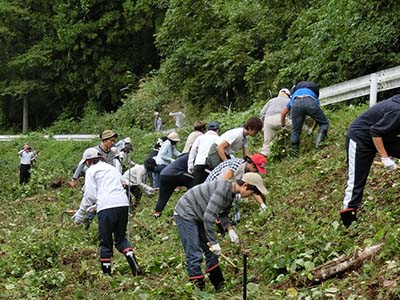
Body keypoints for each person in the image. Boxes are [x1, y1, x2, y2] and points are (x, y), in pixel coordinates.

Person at [174, 173, 268, 290]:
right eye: (251, 193)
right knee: (194, 253)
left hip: (199, 214)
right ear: (244, 185)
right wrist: (214, 242)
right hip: (185, 213)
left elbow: (222, 214)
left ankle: (219, 285)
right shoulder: (222, 190)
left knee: (212, 253)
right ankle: (199, 290)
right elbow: (209, 217)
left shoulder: (231, 193)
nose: (250, 196)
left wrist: (230, 230)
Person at [72, 148, 141, 276]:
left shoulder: (91, 171)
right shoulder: (112, 169)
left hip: (106, 207)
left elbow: (90, 195)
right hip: (122, 204)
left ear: (88, 161)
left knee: (105, 241)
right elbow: (122, 184)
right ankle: (134, 265)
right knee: (121, 239)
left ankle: (107, 275)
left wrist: (80, 214)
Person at [340, 95, 400, 227]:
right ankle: (349, 222)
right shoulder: (397, 110)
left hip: (382, 136)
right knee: (356, 181)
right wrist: (385, 157)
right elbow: (375, 131)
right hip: (360, 139)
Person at [281, 81, 329, 157]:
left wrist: (283, 126)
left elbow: (283, 113)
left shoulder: (294, 95)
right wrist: (312, 129)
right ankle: (319, 146)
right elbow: (317, 118)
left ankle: (294, 155)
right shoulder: (313, 95)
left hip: (296, 103)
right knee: (324, 123)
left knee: (295, 131)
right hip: (310, 101)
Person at [153, 153, 194, 218]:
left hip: (164, 174)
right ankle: (188, 207)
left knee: (162, 198)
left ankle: (157, 214)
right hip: (175, 174)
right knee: (193, 183)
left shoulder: (183, 156)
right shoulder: (193, 157)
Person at [260, 88, 291, 156]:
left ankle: (264, 156)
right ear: (288, 95)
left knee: (267, 143)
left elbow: (262, 114)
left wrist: (262, 126)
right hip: (281, 118)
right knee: (296, 127)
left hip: (268, 120)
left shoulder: (271, 101)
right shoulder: (289, 100)